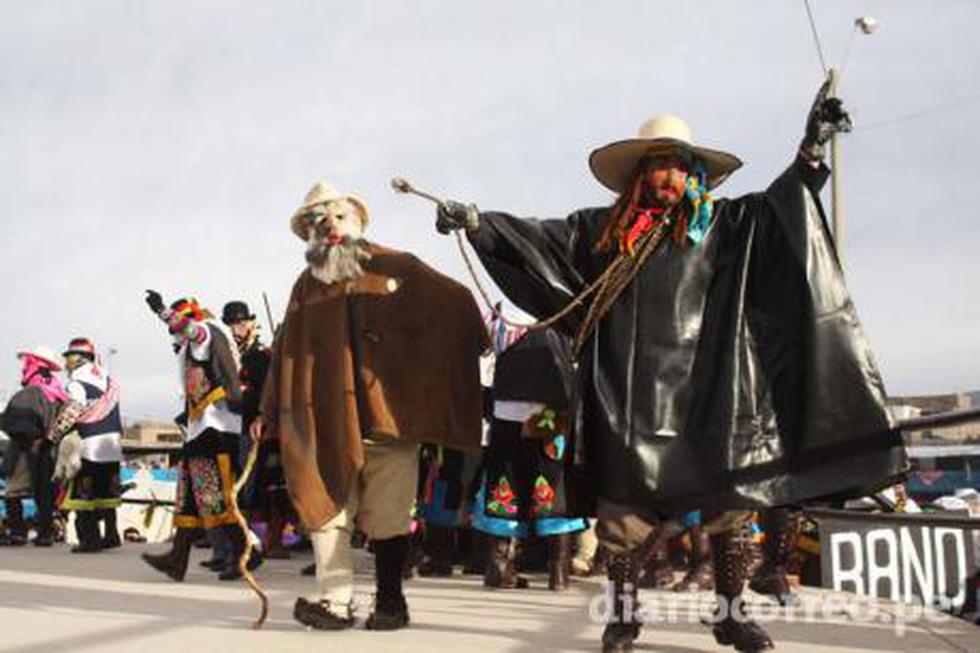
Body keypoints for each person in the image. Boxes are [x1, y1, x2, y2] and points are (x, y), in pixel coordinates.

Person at [434, 83, 908, 652]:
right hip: (627, 397)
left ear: (693, 173)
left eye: (677, 165)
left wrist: (811, 152)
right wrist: (479, 222)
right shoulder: (598, 234)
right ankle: (624, 620)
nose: (667, 176)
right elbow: (538, 243)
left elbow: (785, 208)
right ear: (638, 175)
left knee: (731, 513)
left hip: (714, 391)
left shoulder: (729, 227)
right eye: (656, 165)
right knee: (622, 523)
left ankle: (731, 616)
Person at [253, 181, 487, 631]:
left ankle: (391, 602)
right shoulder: (306, 286)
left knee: (389, 513)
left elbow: (454, 299)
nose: (330, 226)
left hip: (388, 417)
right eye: (320, 221)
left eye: (338, 216)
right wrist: (267, 412)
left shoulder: (395, 265)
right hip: (324, 419)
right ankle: (335, 604)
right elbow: (286, 348)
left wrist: (469, 336)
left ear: (355, 221)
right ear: (310, 234)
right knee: (325, 510)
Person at [141, 294, 256, 581]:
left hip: (215, 427)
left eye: (175, 326)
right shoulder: (202, 339)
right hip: (201, 427)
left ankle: (248, 552)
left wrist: (161, 311)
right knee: (191, 497)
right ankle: (177, 558)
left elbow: (191, 329)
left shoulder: (205, 331)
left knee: (214, 495)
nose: (175, 334)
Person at [473, 324, 587, 591]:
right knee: (553, 488)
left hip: (506, 409)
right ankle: (558, 573)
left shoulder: (500, 312)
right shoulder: (557, 306)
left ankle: (498, 567)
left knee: (506, 485)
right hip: (550, 410)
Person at [221, 300, 288, 558]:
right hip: (239, 425)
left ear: (250, 323)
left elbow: (266, 393)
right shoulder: (234, 355)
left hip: (261, 428)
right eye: (231, 324)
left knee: (264, 485)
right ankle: (242, 543)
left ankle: (267, 542)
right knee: (246, 484)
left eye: (240, 322)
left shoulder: (259, 355)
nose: (236, 328)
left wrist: (238, 396)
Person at [55, 338, 124, 553]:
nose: (66, 363)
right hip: (112, 442)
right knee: (106, 491)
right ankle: (111, 535)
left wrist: (54, 434)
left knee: (85, 494)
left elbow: (73, 409)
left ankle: (90, 540)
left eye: (68, 358)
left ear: (78, 359)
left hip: (90, 441)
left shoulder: (77, 382)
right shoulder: (108, 380)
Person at [1, 346, 67, 547]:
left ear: (33, 364)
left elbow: (14, 422)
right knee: (44, 492)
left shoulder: (29, 392)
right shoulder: (57, 392)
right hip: (48, 450)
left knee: (12, 491)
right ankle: (45, 532)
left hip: (25, 449)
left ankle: (18, 532)